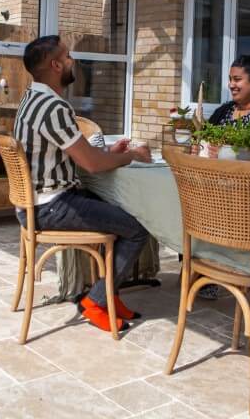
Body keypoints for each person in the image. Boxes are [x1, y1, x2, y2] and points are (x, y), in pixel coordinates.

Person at [14, 35, 151, 333]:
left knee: (119, 211)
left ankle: (109, 295)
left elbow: (81, 155)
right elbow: (91, 165)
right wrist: (131, 155)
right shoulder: (54, 107)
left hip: (36, 203)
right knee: (138, 229)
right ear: (55, 64)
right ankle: (96, 302)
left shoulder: (30, 100)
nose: (72, 61)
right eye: (68, 56)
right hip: (51, 206)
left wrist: (108, 154)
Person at [200, 52, 250, 300]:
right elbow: (204, 139)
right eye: (230, 79)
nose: (231, 85)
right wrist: (202, 146)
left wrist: (226, 151)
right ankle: (206, 270)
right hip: (217, 183)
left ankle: (223, 269)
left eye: (238, 79)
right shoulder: (224, 110)